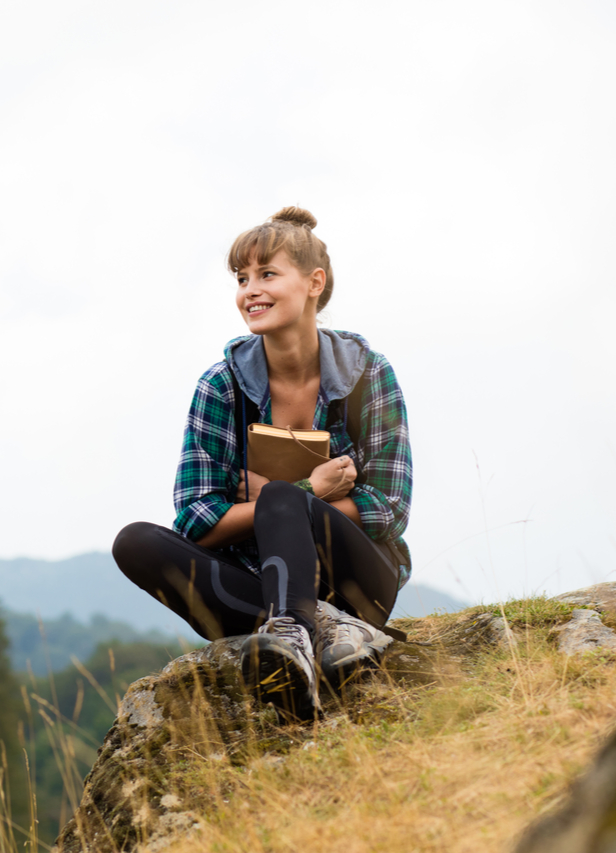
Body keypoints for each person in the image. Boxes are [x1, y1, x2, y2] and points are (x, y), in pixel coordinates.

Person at [112, 206, 413, 721]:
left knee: (277, 496)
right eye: (241, 278)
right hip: (260, 582)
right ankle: (312, 627)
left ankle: (297, 634)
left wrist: (282, 501)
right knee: (134, 542)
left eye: (267, 274)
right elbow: (196, 521)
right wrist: (309, 490)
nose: (249, 290)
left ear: (314, 282)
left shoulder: (368, 374)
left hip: (360, 580)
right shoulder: (221, 386)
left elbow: (389, 507)